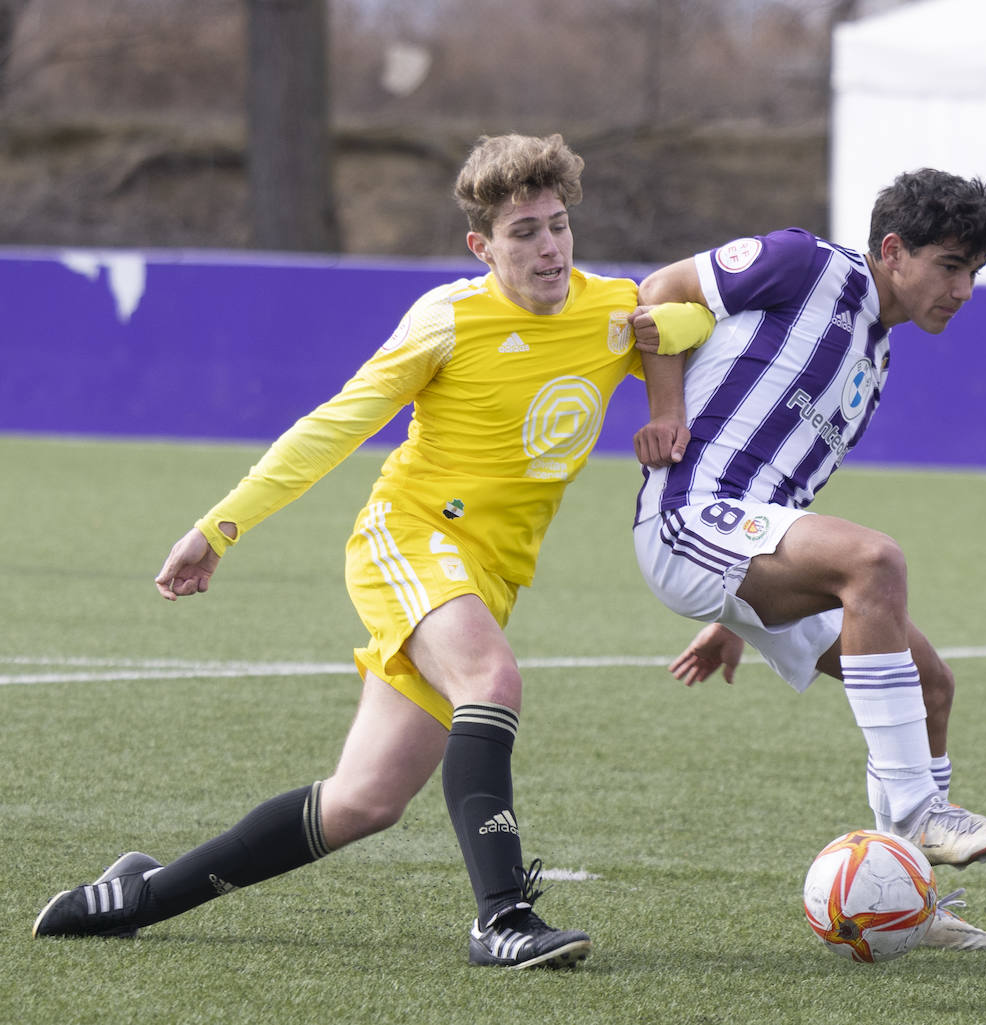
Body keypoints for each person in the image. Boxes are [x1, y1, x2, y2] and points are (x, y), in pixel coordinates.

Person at [33, 132, 689, 970]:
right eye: (523, 233)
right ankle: (503, 916)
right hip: (410, 538)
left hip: (487, 576)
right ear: (481, 247)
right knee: (494, 679)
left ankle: (141, 893)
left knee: (364, 801)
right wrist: (220, 525)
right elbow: (332, 429)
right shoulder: (447, 320)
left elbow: (687, 328)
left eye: (558, 225)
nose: (550, 247)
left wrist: (670, 339)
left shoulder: (611, 310)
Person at [630, 168, 986, 951]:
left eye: (975, 272)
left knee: (932, 685)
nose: (965, 289)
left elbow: (790, 496)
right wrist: (665, 409)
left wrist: (736, 612)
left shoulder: (873, 367)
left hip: (744, 547)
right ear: (893, 250)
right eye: (951, 266)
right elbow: (658, 290)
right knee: (874, 560)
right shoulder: (805, 264)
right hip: (687, 514)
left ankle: (912, 903)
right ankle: (917, 809)